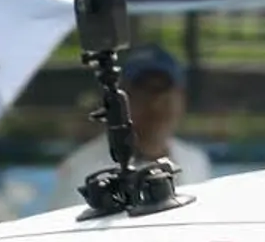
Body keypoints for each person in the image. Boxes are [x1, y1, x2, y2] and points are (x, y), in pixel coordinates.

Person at [52, 43, 214, 198]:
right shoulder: (84, 170)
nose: (155, 105)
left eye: (164, 90)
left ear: (182, 98)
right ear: (119, 101)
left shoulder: (195, 161)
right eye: (144, 92)